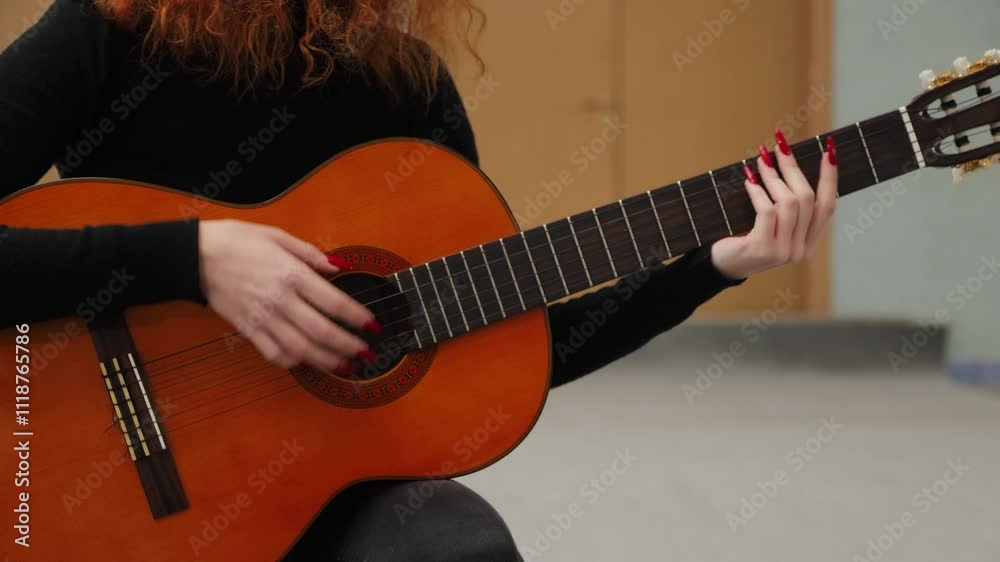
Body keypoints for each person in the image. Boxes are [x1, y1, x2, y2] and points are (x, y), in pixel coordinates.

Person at [0, 1, 838, 560]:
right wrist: (192, 259)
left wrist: (712, 267)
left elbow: (504, 349)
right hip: (80, 485)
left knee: (461, 549)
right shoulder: (103, 34)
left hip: (323, 491)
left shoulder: (403, 82)